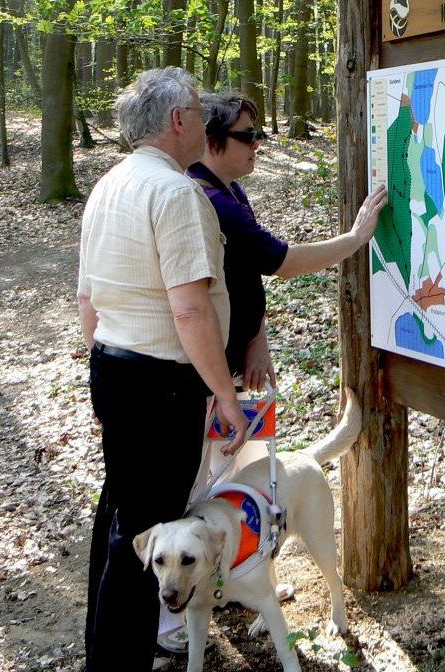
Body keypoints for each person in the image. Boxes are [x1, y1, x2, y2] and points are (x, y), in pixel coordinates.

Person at [76, 67, 248, 671]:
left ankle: (103, 652)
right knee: (142, 530)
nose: (205, 122)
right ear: (177, 121)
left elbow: (86, 299)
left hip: (116, 369)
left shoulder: (108, 185)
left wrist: (105, 374)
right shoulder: (176, 193)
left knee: (120, 514)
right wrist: (224, 396)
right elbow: (189, 306)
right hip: (159, 384)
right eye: (199, 112)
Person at [187, 92, 387, 390]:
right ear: (211, 140)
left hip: (229, 356)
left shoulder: (230, 191)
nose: (256, 143)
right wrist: (356, 237)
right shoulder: (214, 203)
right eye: (246, 136)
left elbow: (248, 272)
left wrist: (257, 341)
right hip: (206, 370)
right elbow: (284, 262)